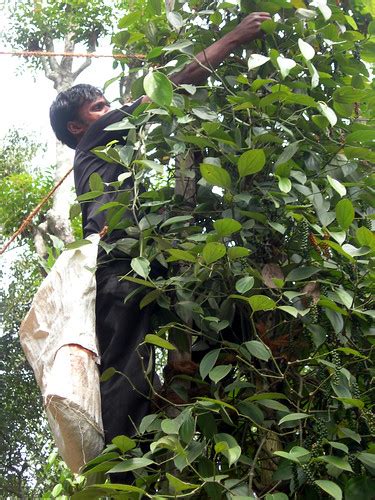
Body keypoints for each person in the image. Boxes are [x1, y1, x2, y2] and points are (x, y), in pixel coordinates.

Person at [49, 12, 271, 447]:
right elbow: (176, 81)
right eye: (98, 109)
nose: (109, 111)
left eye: (107, 106)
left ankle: (201, 382)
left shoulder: (113, 151)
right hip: (117, 262)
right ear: (79, 127)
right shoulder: (95, 140)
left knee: (217, 294)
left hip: (147, 252)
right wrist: (235, 36)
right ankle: (121, 472)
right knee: (125, 364)